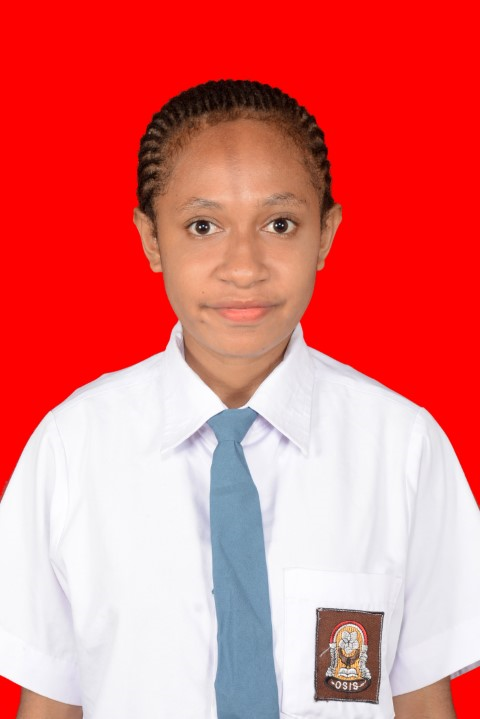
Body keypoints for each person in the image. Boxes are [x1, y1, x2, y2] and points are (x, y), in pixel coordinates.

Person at [0, 79, 479, 719]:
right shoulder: (71, 449)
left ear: (325, 234)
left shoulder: (403, 449)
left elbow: (422, 702)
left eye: (280, 224)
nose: (244, 266)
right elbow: (49, 701)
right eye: (203, 226)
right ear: (150, 239)